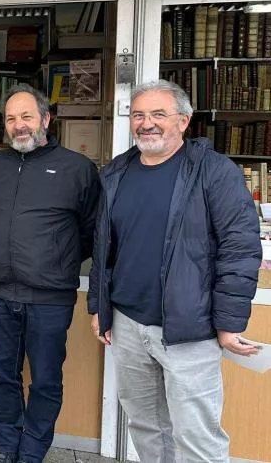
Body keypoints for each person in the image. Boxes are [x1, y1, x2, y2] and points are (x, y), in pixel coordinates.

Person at [88, 80, 261, 463]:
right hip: (128, 326)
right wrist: (98, 306)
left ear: (183, 121)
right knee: (147, 430)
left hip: (190, 329)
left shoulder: (214, 172)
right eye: (139, 115)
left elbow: (240, 248)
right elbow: (104, 247)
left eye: (158, 114)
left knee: (197, 439)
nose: (146, 123)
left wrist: (229, 322)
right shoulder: (116, 173)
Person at [0, 83, 101, 463]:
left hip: (49, 298)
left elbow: (92, 233)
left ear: (46, 119)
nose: (18, 125)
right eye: (11, 118)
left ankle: (31, 452)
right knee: (2, 377)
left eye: (26, 116)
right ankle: (7, 447)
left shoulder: (78, 169)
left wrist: (57, 258)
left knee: (46, 380)